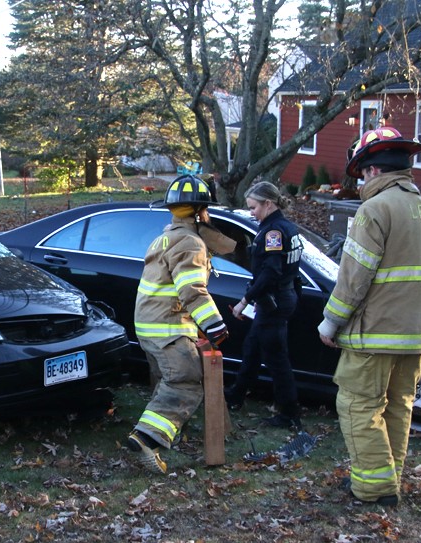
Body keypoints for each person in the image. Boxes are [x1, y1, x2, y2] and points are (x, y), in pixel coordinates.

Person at [317, 126, 421, 507]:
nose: (359, 184)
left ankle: (374, 489)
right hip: (418, 334)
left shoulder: (374, 210)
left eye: (360, 176)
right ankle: (388, 481)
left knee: (358, 406)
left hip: (376, 333)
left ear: (372, 171)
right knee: (397, 406)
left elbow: (354, 278)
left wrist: (331, 323)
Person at [127, 175, 236, 474]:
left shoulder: (165, 236)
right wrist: (214, 325)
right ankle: (147, 437)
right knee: (186, 382)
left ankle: (167, 431)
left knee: (167, 380)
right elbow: (192, 289)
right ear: (202, 210)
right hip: (168, 328)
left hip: (149, 327)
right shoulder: (189, 242)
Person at [225, 180, 304, 431]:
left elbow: (270, 273)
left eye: (254, 207)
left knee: (276, 360)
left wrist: (244, 301)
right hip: (279, 299)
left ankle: (289, 413)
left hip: (273, 302)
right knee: (252, 348)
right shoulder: (286, 228)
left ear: (268, 204)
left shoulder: (273, 232)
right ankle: (236, 396)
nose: (251, 213)